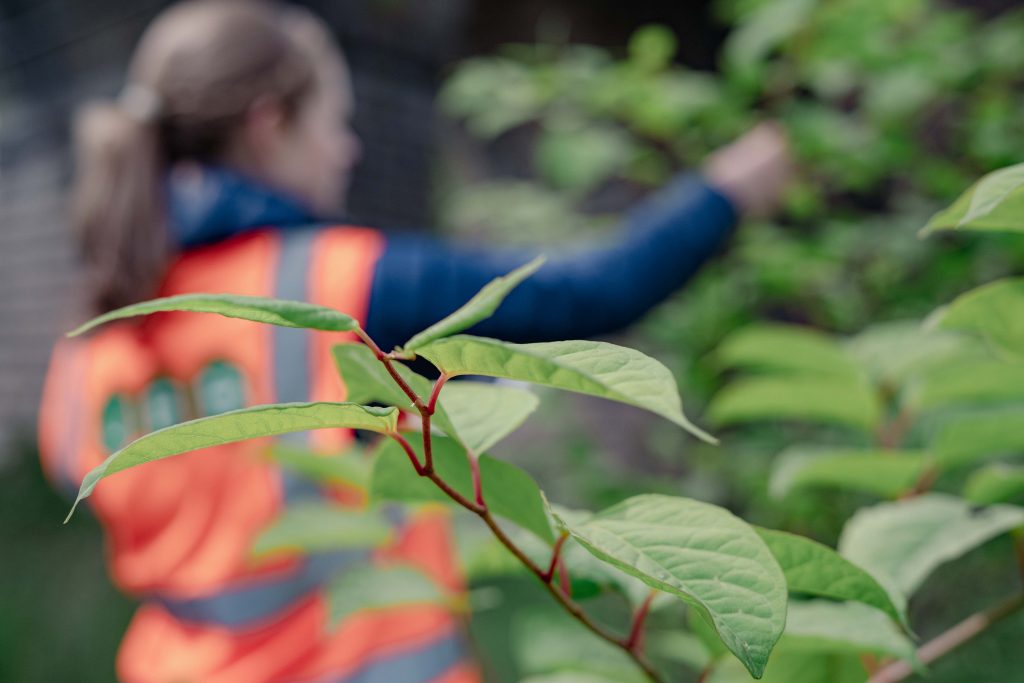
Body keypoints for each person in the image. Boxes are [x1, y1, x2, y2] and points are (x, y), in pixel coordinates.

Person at [37, 1, 793, 682]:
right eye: (334, 122)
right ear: (270, 124)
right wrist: (731, 185)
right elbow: (590, 290)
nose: (349, 151)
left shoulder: (82, 350)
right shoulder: (333, 282)